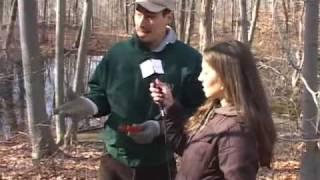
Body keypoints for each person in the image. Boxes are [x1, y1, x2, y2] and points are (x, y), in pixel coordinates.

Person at [54, 0, 205, 179]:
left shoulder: (189, 59)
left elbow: (199, 112)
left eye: (150, 16)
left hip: (158, 163)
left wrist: (160, 128)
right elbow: (101, 93)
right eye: (139, 13)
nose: (141, 22)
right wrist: (89, 104)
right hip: (114, 160)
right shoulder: (118, 54)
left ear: (168, 17)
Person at [149, 40, 277, 180]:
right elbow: (190, 150)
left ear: (225, 76)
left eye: (206, 72)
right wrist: (170, 105)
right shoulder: (214, 112)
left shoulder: (238, 130)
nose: (200, 78)